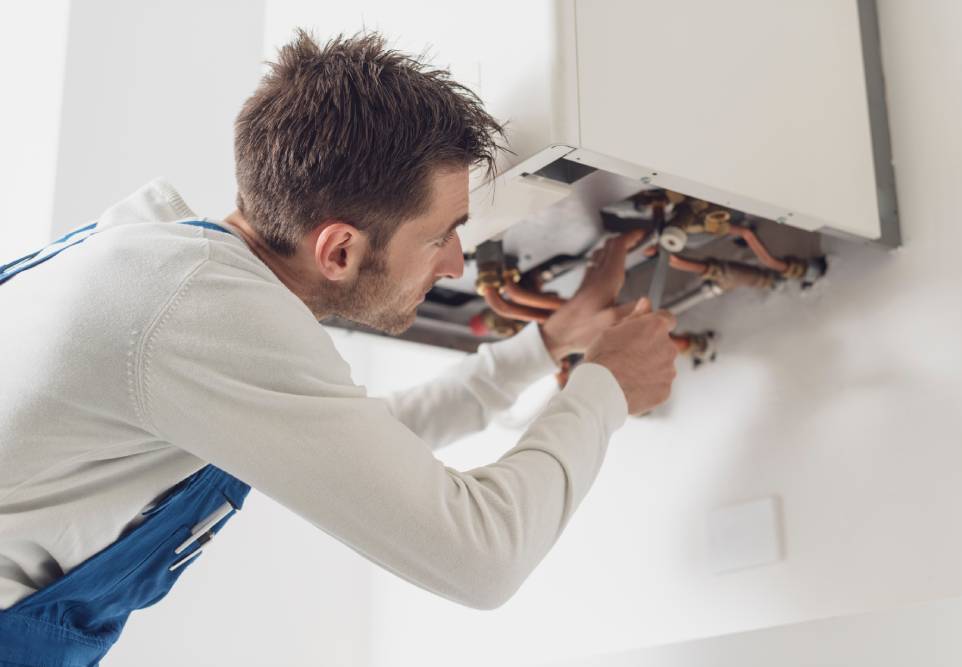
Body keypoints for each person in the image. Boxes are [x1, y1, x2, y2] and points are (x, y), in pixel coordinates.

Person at [0, 31, 677, 664]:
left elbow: (360, 445)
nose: (454, 265)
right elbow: (482, 557)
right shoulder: (199, 312)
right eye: (440, 235)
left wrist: (547, 344)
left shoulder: (162, 263)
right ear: (340, 250)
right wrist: (605, 388)